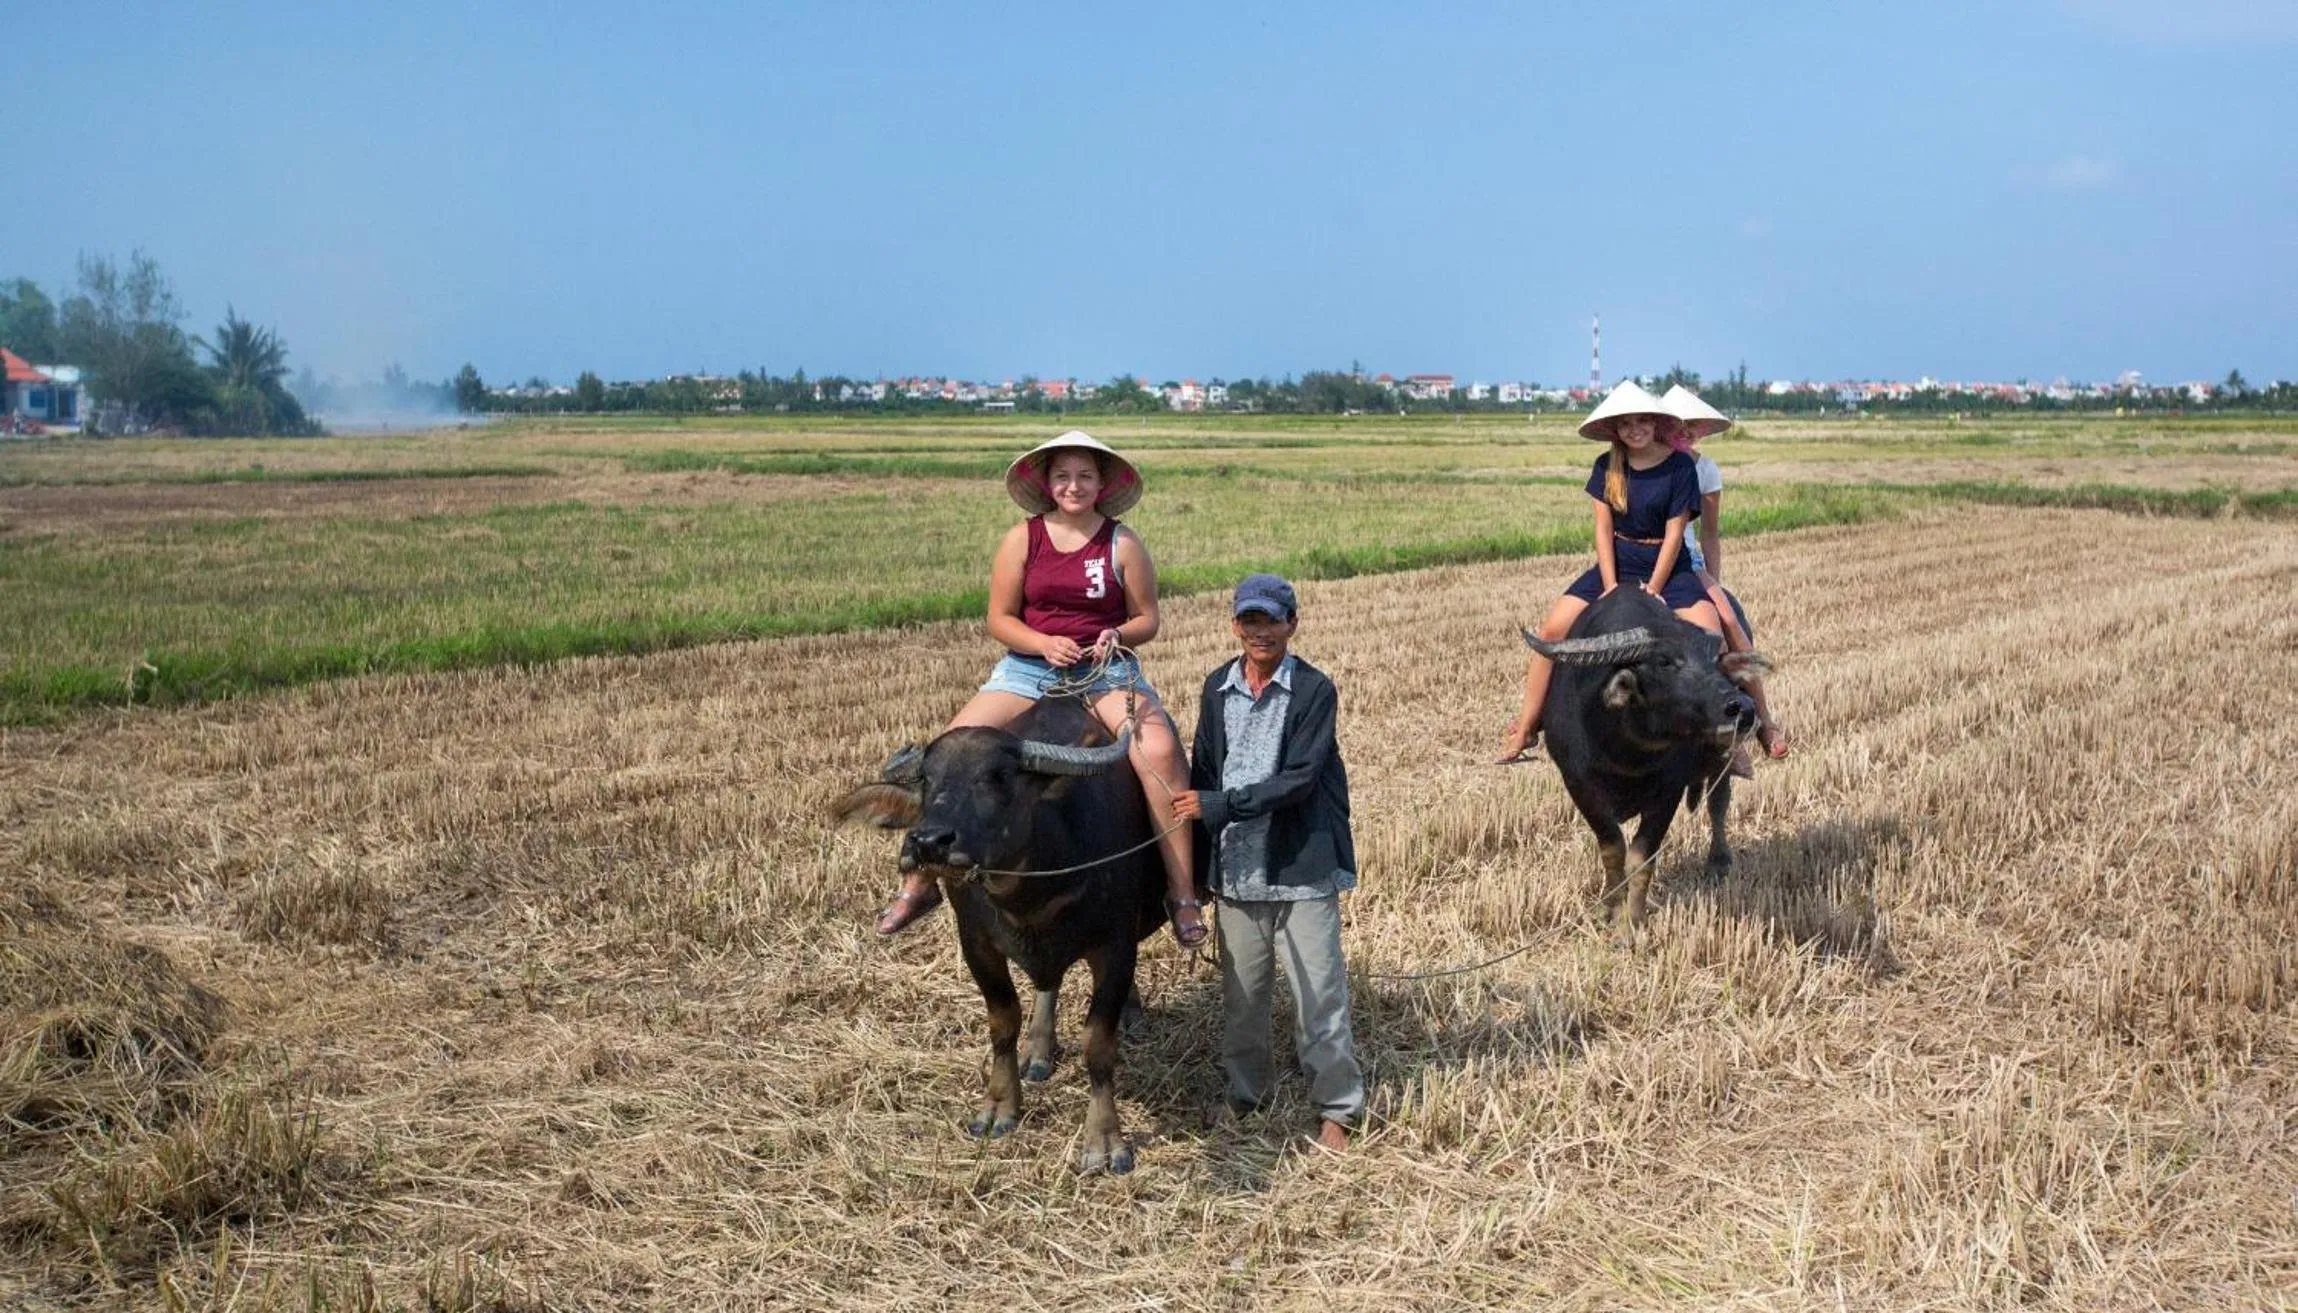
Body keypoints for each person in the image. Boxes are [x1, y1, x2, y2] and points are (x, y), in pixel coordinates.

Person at [875, 430, 1205, 946]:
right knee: (948, 751)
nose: (1074, 486)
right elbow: (1000, 619)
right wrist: (1043, 643)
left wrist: (1117, 635)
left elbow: (1147, 619)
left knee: (1159, 750)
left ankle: (1182, 893)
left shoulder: (1122, 542)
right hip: (1029, 670)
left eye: (1085, 476)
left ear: (1102, 484)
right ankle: (918, 881)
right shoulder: (1022, 539)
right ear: (1047, 484)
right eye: (1063, 476)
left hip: (1103, 672)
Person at [1171, 573, 1364, 1152]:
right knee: (1243, 1000)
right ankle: (1245, 1097)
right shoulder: (1216, 687)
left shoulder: (1314, 690)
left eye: (1271, 620)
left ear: (1292, 625)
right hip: (1238, 873)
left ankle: (1337, 1109)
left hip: (1301, 868)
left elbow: (1300, 780)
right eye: (1249, 620)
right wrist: (1201, 870)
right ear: (1235, 625)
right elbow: (1205, 772)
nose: (1260, 631)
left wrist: (1223, 805)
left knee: (1319, 996)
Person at [1498, 381, 1723, 763]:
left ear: (1655, 422)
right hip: (1619, 561)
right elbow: (1603, 530)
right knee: (1551, 631)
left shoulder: (1680, 466)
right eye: (1625, 424)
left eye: (1642, 421)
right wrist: (1610, 586)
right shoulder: (1606, 466)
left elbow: (1674, 534)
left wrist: (1655, 588)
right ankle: (1526, 729)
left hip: (1669, 567)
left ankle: (1722, 734)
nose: (1635, 429)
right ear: (1615, 430)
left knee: (1710, 634)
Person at [1662, 385, 1789, 764]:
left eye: (1693, 424)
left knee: (1728, 622)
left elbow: (1709, 534)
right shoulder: (1642, 460)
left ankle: (1762, 719)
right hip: (1640, 560)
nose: (1685, 431)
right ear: (1661, 425)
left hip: (1687, 562)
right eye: (1677, 423)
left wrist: (1712, 582)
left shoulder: (1705, 469)